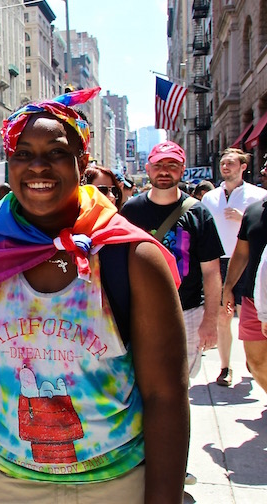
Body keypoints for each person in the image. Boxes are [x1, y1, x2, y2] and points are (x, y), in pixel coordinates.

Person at [0, 88, 188, 503]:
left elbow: (166, 396)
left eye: (55, 153)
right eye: (23, 153)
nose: (38, 166)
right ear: (9, 163)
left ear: (83, 162)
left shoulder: (133, 258)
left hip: (114, 486)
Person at [121, 141, 223, 381]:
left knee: (180, 382)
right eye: (159, 165)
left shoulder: (198, 212)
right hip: (141, 311)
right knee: (142, 381)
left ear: (182, 169)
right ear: (148, 168)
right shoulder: (131, 211)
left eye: (172, 165)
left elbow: (211, 272)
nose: (164, 171)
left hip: (187, 311)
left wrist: (210, 320)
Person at [201, 148, 267, 386]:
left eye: (230, 163)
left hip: (251, 262)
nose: (225, 167)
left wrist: (243, 218)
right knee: (222, 316)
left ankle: (253, 360)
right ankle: (225, 367)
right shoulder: (209, 198)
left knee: (252, 313)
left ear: (243, 167)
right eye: (223, 163)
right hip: (219, 261)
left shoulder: (258, 196)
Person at [220, 196, 267, 392]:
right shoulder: (254, 211)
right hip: (253, 300)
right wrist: (228, 287)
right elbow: (240, 253)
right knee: (255, 362)